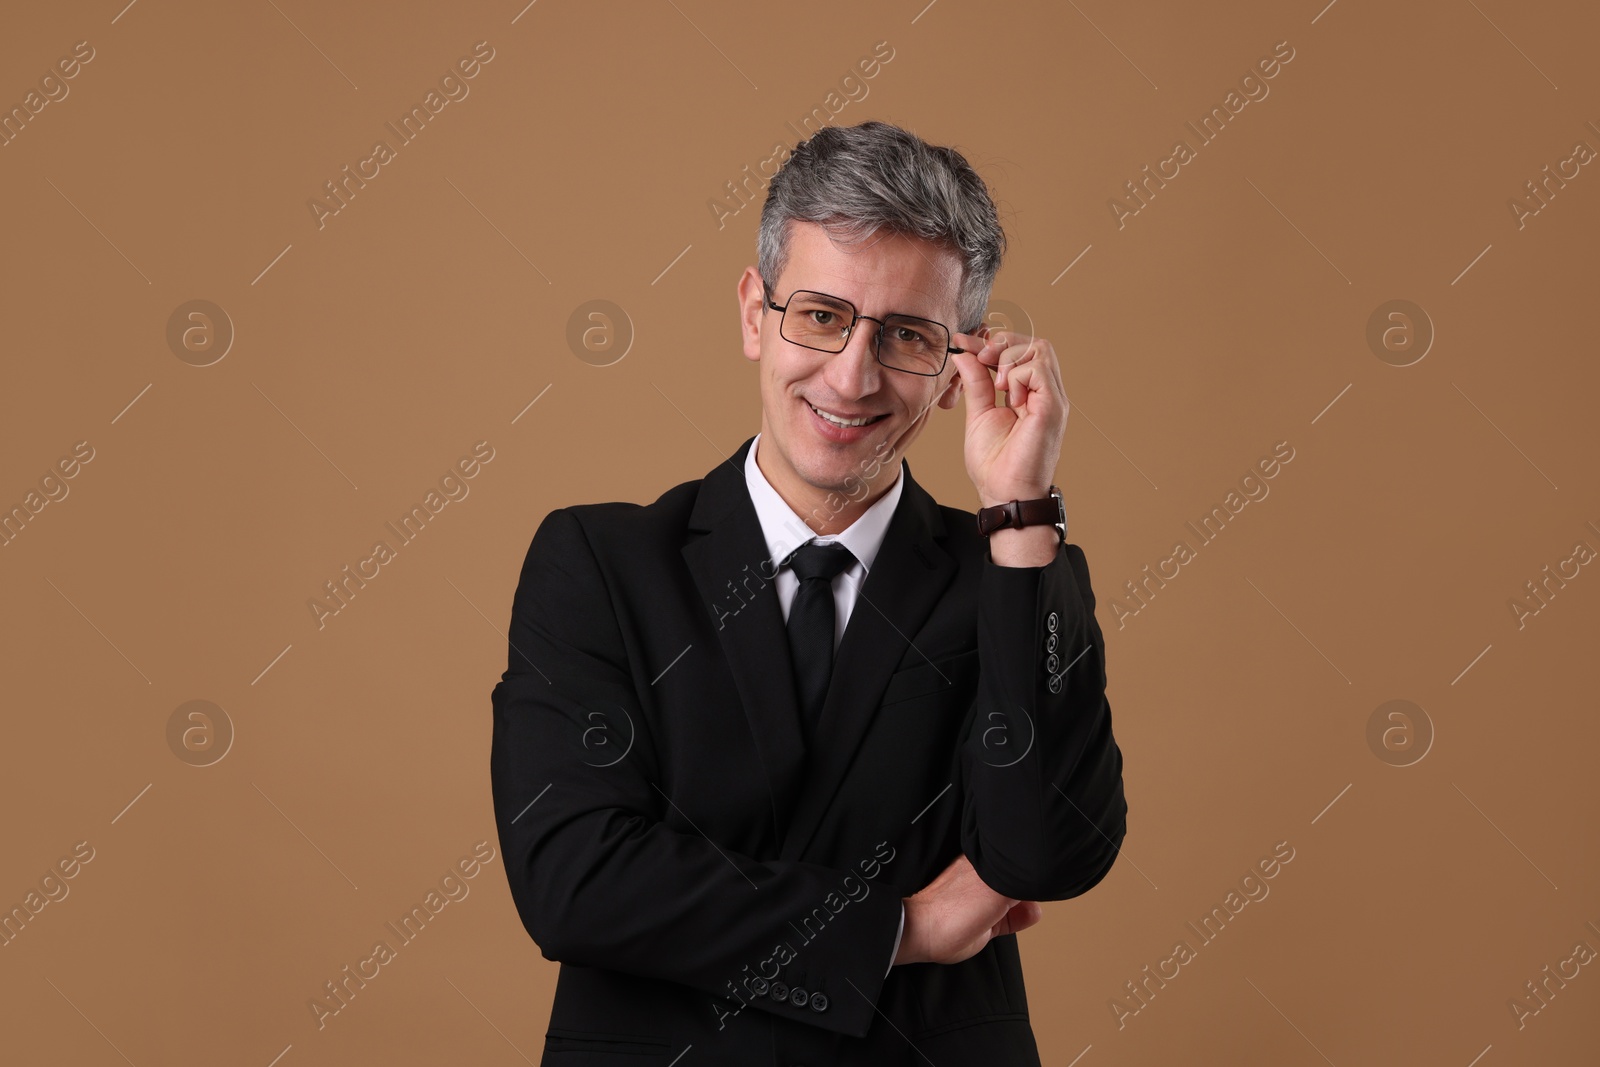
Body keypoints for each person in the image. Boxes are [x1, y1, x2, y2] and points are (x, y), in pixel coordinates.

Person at [490, 119, 1127, 1066]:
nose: (853, 375)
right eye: (822, 315)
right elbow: (576, 880)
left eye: (908, 336)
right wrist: (897, 927)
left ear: (959, 365)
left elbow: (1047, 853)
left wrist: (1022, 508)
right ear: (755, 312)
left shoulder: (1005, 573)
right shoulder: (600, 563)